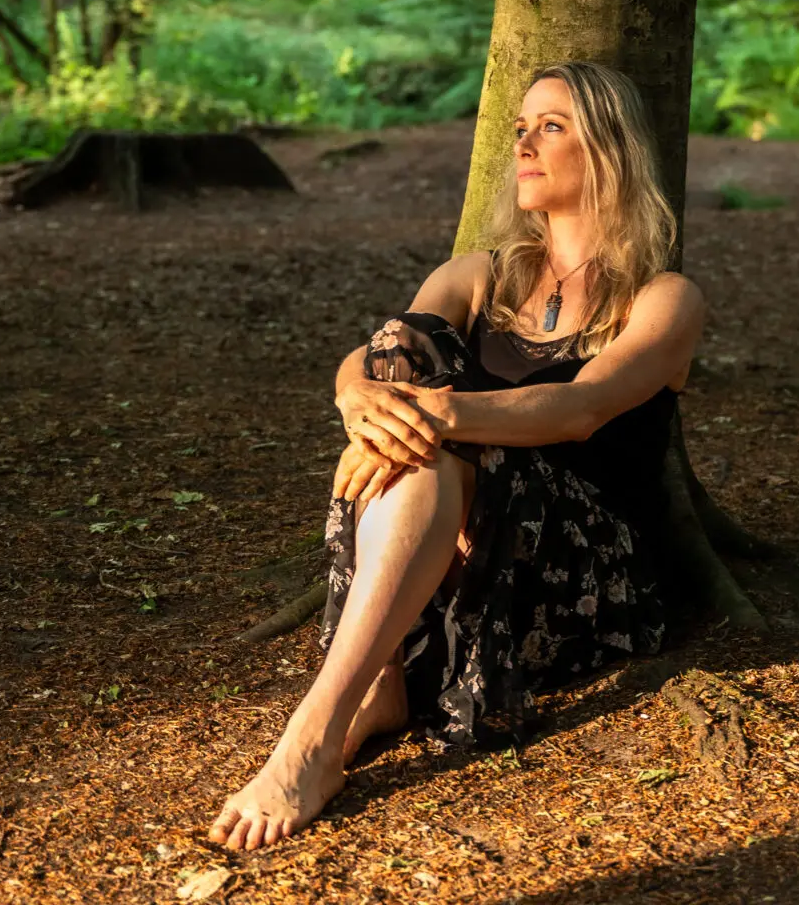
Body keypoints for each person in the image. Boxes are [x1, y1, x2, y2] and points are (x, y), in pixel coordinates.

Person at [209, 60, 705, 851]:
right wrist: (355, 398)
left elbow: (580, 409)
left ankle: (311, 738)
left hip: (580, 566)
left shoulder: (661, 298)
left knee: (430, 446)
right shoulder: (479, 276)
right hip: (451, 528)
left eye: (551, 127)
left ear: (609, 148)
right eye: (520, 128)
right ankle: (372, 688)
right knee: (403, 351)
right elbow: (380, 358)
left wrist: (437, 416)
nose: (524, 145)